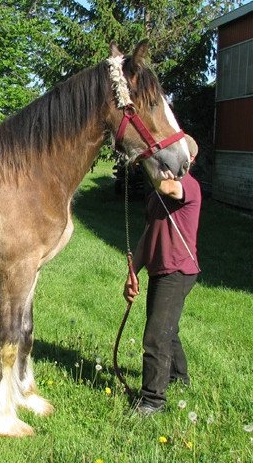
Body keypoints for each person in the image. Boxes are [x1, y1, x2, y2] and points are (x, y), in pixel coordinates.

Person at [123, 140, 201, 416]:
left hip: (178, 270)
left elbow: (169, 186)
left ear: (189, 157)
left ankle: (152, 401)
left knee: (156, 335)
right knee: (168, 327)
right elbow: (148, 235)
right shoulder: (156, 197)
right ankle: (179, 377)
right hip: (161, 268)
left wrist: (144, 159)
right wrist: (133, 272)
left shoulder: (188, 184)